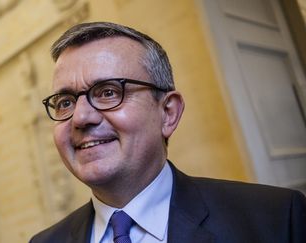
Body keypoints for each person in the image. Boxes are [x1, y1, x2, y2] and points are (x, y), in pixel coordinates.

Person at [30, 22, 306, 243]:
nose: (80, 117)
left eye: (108, 92)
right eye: (65, 102)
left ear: (168, 113)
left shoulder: (277, 218)